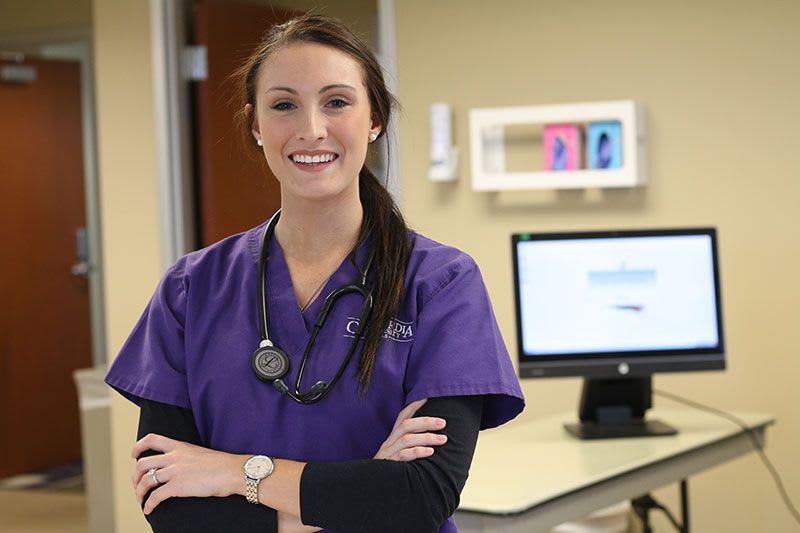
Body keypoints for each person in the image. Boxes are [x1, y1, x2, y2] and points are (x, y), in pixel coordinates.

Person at [105, 14, 524, 533]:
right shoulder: (191, 289)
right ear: (256, 125)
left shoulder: (439, 282)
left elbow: (420, 496)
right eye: (284, 105)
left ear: (375, 120)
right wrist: (357, 491)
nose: (311, 129)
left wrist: (236, 473)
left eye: (337, 102)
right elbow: (167, 500)